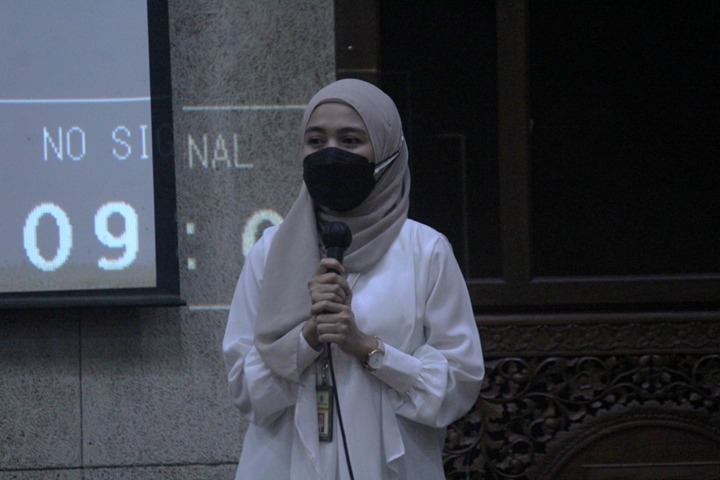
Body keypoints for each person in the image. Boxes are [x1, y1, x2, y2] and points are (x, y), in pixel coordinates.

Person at [223, 78, 484, 480]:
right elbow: (244, 387)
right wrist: (307, 338)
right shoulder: (271, 251)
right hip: (283, 464)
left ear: (386, 150)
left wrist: (368, 349)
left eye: (350, 141)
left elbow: (458, 383)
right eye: (316, 141)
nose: (330, 154)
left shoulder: (425, 250)